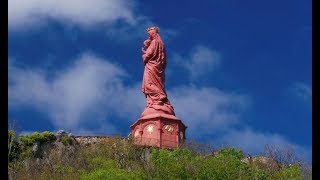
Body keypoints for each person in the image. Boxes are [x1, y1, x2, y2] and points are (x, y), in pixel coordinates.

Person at [141, 27, 175, 116]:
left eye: (149, 35)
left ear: (152, 34)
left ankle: (159, 97)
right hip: (158, 67)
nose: (149, 37)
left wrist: (144, 55)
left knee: (149, 83)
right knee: (157, 83)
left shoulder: (154, 42)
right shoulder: (160, 43)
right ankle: (159, 99)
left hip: (151, 67)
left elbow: (148, 55)